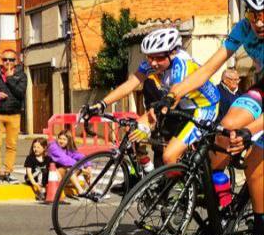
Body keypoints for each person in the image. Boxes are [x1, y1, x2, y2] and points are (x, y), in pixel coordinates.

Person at [166, 0, 264, 235]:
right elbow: (208, 69)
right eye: (253, 14)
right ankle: (226, 205)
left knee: (256, 161)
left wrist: (252, 131)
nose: (259, 22)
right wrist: (174, 93)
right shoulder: (243, 29)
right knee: (226, 131)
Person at [86, 27, 218, 167]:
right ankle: (147, 172)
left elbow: (175, 94)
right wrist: (102, 104)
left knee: (169, 157)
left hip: (204, 108)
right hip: (182, 105)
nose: (153, 63)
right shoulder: (154, 64)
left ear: (172, 53)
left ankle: (182, 183)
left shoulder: (181, 64)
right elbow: (131, 83)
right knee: (134, 130)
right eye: (150, 57)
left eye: (159, 57)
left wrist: (153, 117)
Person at [0, 48, 27, 182]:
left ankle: (7, 172)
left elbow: (20, 93)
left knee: (11, 145)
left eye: (11, 59)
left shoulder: (21, 75)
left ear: (16, 61)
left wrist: (10, 78)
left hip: (14, 114)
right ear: (1, 61)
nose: (7, 62)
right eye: (4, 59)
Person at [24, 136, 51, 201]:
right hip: (32, 178)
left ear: (44, 148)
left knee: (45, 171)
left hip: (43, 181)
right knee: (40, 171)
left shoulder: (48, 159)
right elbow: (29, 173)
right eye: (34, 147)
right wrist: (34, 183)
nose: (35, 149)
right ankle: (40, 193)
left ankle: (43, 191)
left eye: (38, 147)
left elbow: (52, 170)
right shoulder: (30, 158)